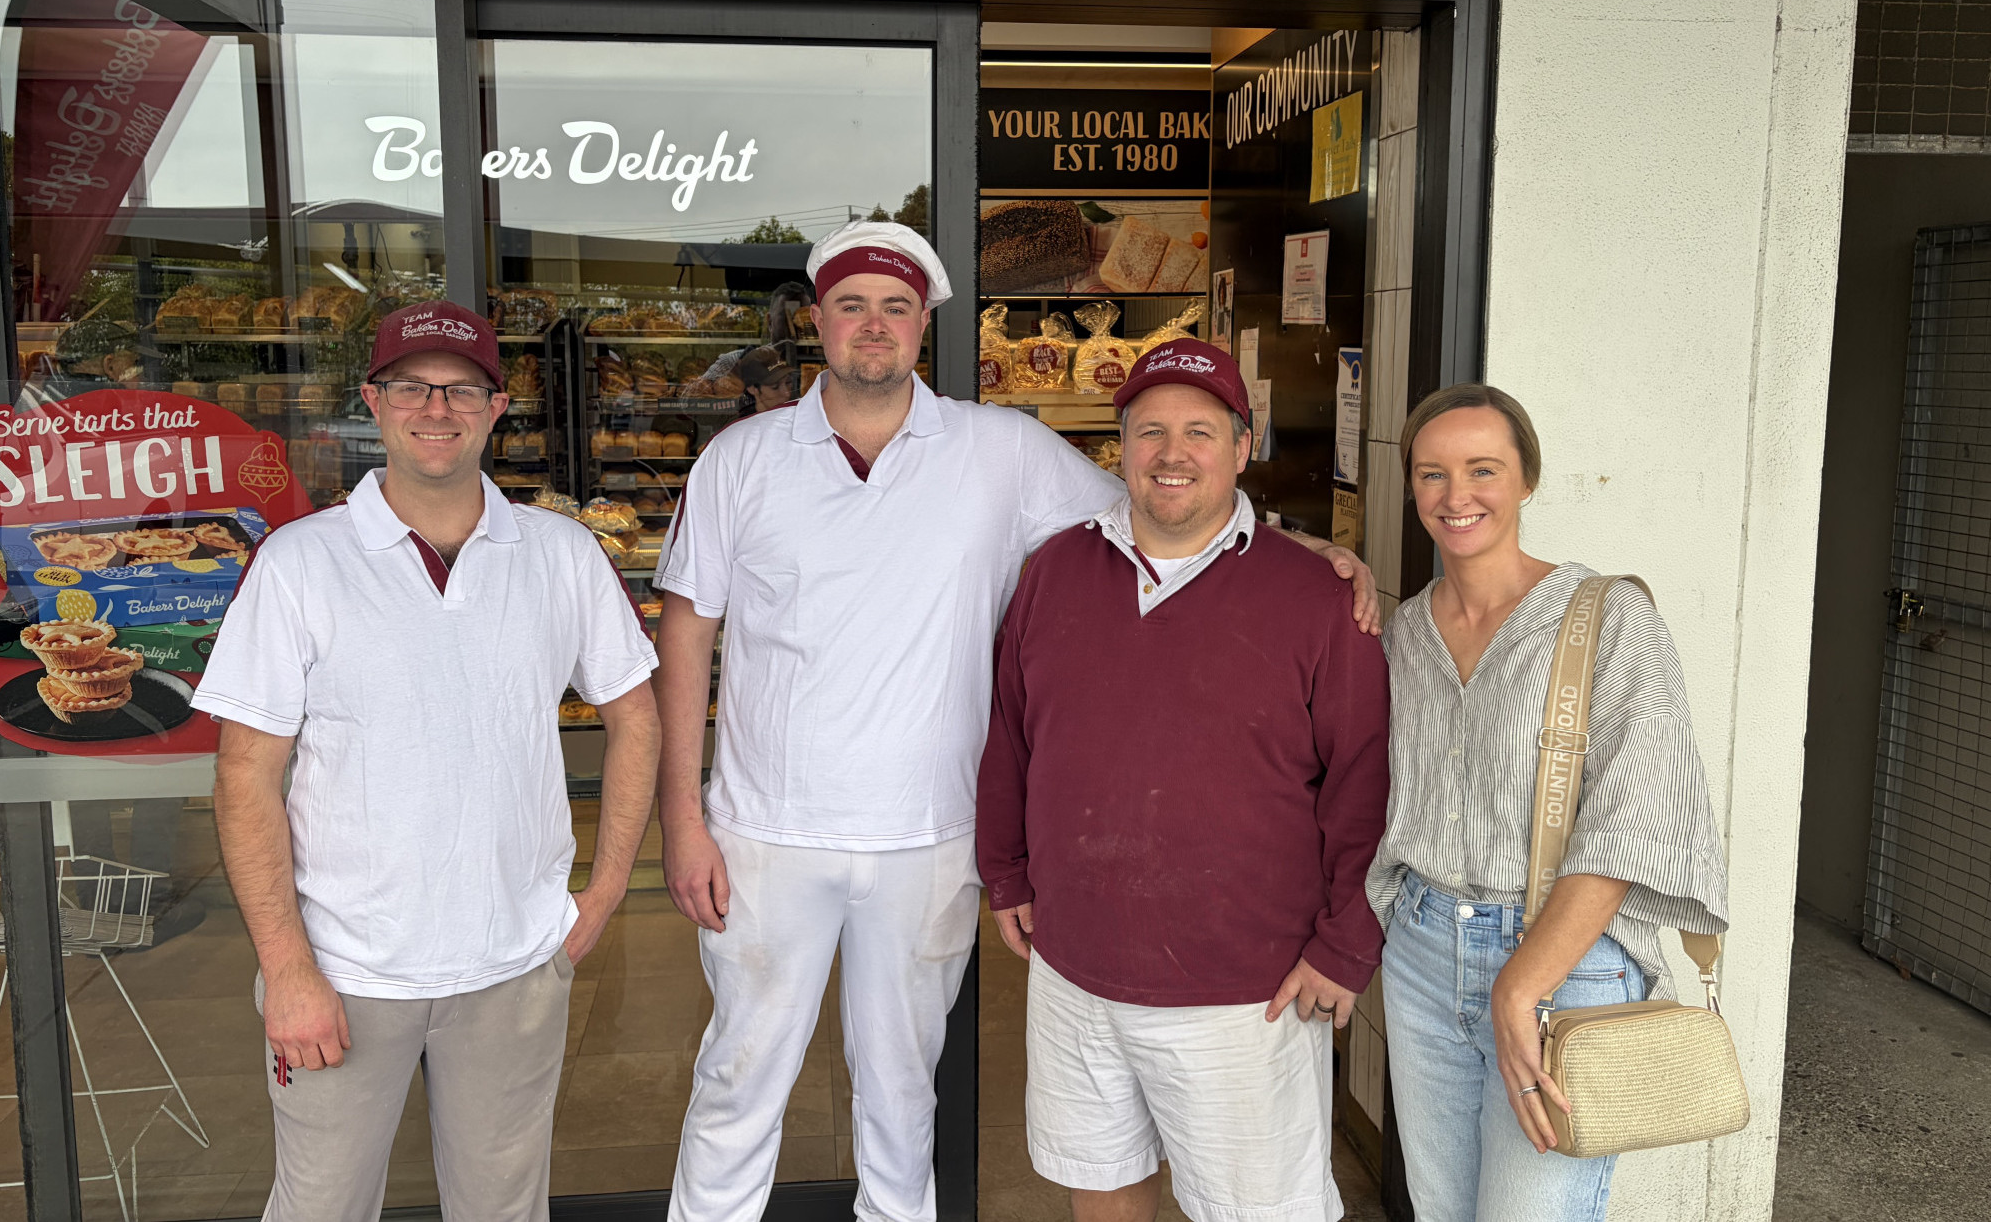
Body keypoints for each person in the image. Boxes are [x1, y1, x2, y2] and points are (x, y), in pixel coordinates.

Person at [652, 221, 1380, 1222]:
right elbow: (687, 631)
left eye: (896, 307)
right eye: (852, 306)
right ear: (815, 320)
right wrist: (682, 816)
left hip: (928, 839)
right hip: (764, 833)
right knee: (737, 1079)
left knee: (902, 1093)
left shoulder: (999, 448)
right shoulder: (741, 459)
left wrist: (1303, 553)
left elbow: (1168, 506)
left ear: (924, 325)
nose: (874, 325)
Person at [197, 300, 663, 1222]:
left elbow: (637, 716)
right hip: (345, 970)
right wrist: (287, 968)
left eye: (462, 390)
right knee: (320, 1207)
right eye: (412, 386)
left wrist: (606, 890)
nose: (437, 409)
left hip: (513, 965)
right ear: (373, 401)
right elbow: (243, 776)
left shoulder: (562, 554)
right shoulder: (300, 562)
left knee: (504, 1210)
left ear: (498, 409)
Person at [977, 338, 1391, 1222]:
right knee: (1102, 1178)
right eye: (1150, 431)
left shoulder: (1316, 595)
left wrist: (1346, 940)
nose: (1173, 453)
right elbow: (1011, 732)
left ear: (1243, 447)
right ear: (1120, 447)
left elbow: (1365, 782)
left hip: (1247, 989)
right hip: (1076, 966)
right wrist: (1005, 870)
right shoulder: (1055, 571)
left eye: (1200, 431)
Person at [1365, 384, 1730, 1222]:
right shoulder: (1407, 631)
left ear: (1527, 478)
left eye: (1482, 469)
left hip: (1566, 964)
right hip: (1423, 952)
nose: (1456, 495)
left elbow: (1636, 819)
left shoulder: (1608, 617)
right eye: (1432, 473)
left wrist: (1519, 985)